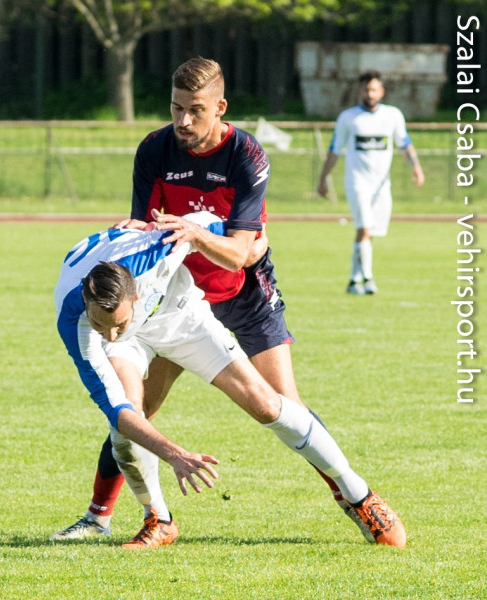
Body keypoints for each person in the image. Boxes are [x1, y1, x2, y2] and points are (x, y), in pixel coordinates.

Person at [52, 57, 361, 544]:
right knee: (135, 414)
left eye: (195, 110)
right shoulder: (154, 148)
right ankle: (109, 516)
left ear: (220, 107)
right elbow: (142, 226)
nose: (183, 122)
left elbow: (241, 253)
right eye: (175, 109)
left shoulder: (246, 154)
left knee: (279, 405)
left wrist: (199, 236)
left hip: (240, 288)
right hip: (166, 293)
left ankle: (354, 498)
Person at [54, 217, 406, 549]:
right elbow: (118, 410)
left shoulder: (158, 250)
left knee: (267, 403)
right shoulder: (77, 322)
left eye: (118, 323)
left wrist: (255, 243)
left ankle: (357, 493)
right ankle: (159, 519)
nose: (111, 335)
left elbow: (223, 227)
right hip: (134, 337)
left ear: (135, 296)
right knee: (126, 424)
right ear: (87, 303)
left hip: (178, 315)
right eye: (102, 325)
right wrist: (175, 454)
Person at [317, 69, 425, 295]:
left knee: (370, 231)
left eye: (374, 89)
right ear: (360, 91)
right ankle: (367, 278)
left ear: (382, 91)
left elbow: (404, 143)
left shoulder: (393, 116)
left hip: (381, 186)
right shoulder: (348, 118)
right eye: (366, 89)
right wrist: (323, 178)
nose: (370, 93)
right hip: (358, 183)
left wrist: (415, 167)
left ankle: (354, 280)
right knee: (364, 227)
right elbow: (334, 150)